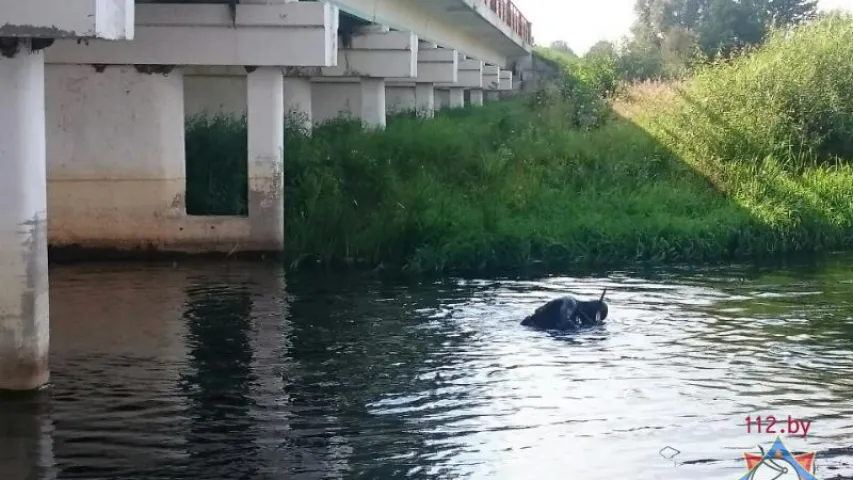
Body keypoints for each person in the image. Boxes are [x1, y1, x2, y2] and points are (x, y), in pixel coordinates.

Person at [520, 289, 608, 330]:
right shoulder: (570, 302)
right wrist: (580, 332)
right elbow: (564, 322)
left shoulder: (577, 314)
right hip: (530, 328)